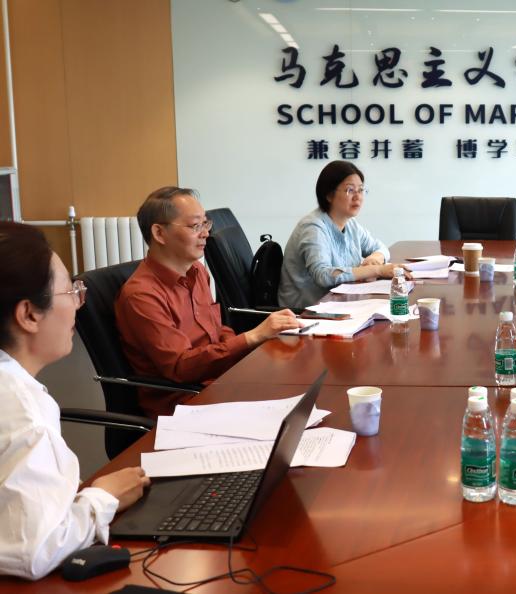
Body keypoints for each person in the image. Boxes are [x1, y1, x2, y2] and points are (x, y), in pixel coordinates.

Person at [0, 222, 150, 580]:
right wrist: (102, 497)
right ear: (29, 314)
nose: (79, 304)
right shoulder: (22, 413)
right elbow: (34, 550)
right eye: (71, 291)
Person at [116, 187, 302, 418]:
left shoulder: (197, 271)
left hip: (219, 382)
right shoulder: (142, 295)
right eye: (195, 226)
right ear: (159, 233)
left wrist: (245, 351)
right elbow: (180, 367)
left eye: (206, 224)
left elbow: (217, 330)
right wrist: (252, 337)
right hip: (185, 404)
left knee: (299, 381)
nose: (206, 234)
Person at [278, 160, 407, 309]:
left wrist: (375, 258)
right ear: (329, 195)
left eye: (361, 190)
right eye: (350, 190)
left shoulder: (351, 224)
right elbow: (323, 275)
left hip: (339, 303)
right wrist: (377, 270)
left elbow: (381, 248)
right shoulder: (313, 227)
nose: (357, 196)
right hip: (304, 311)